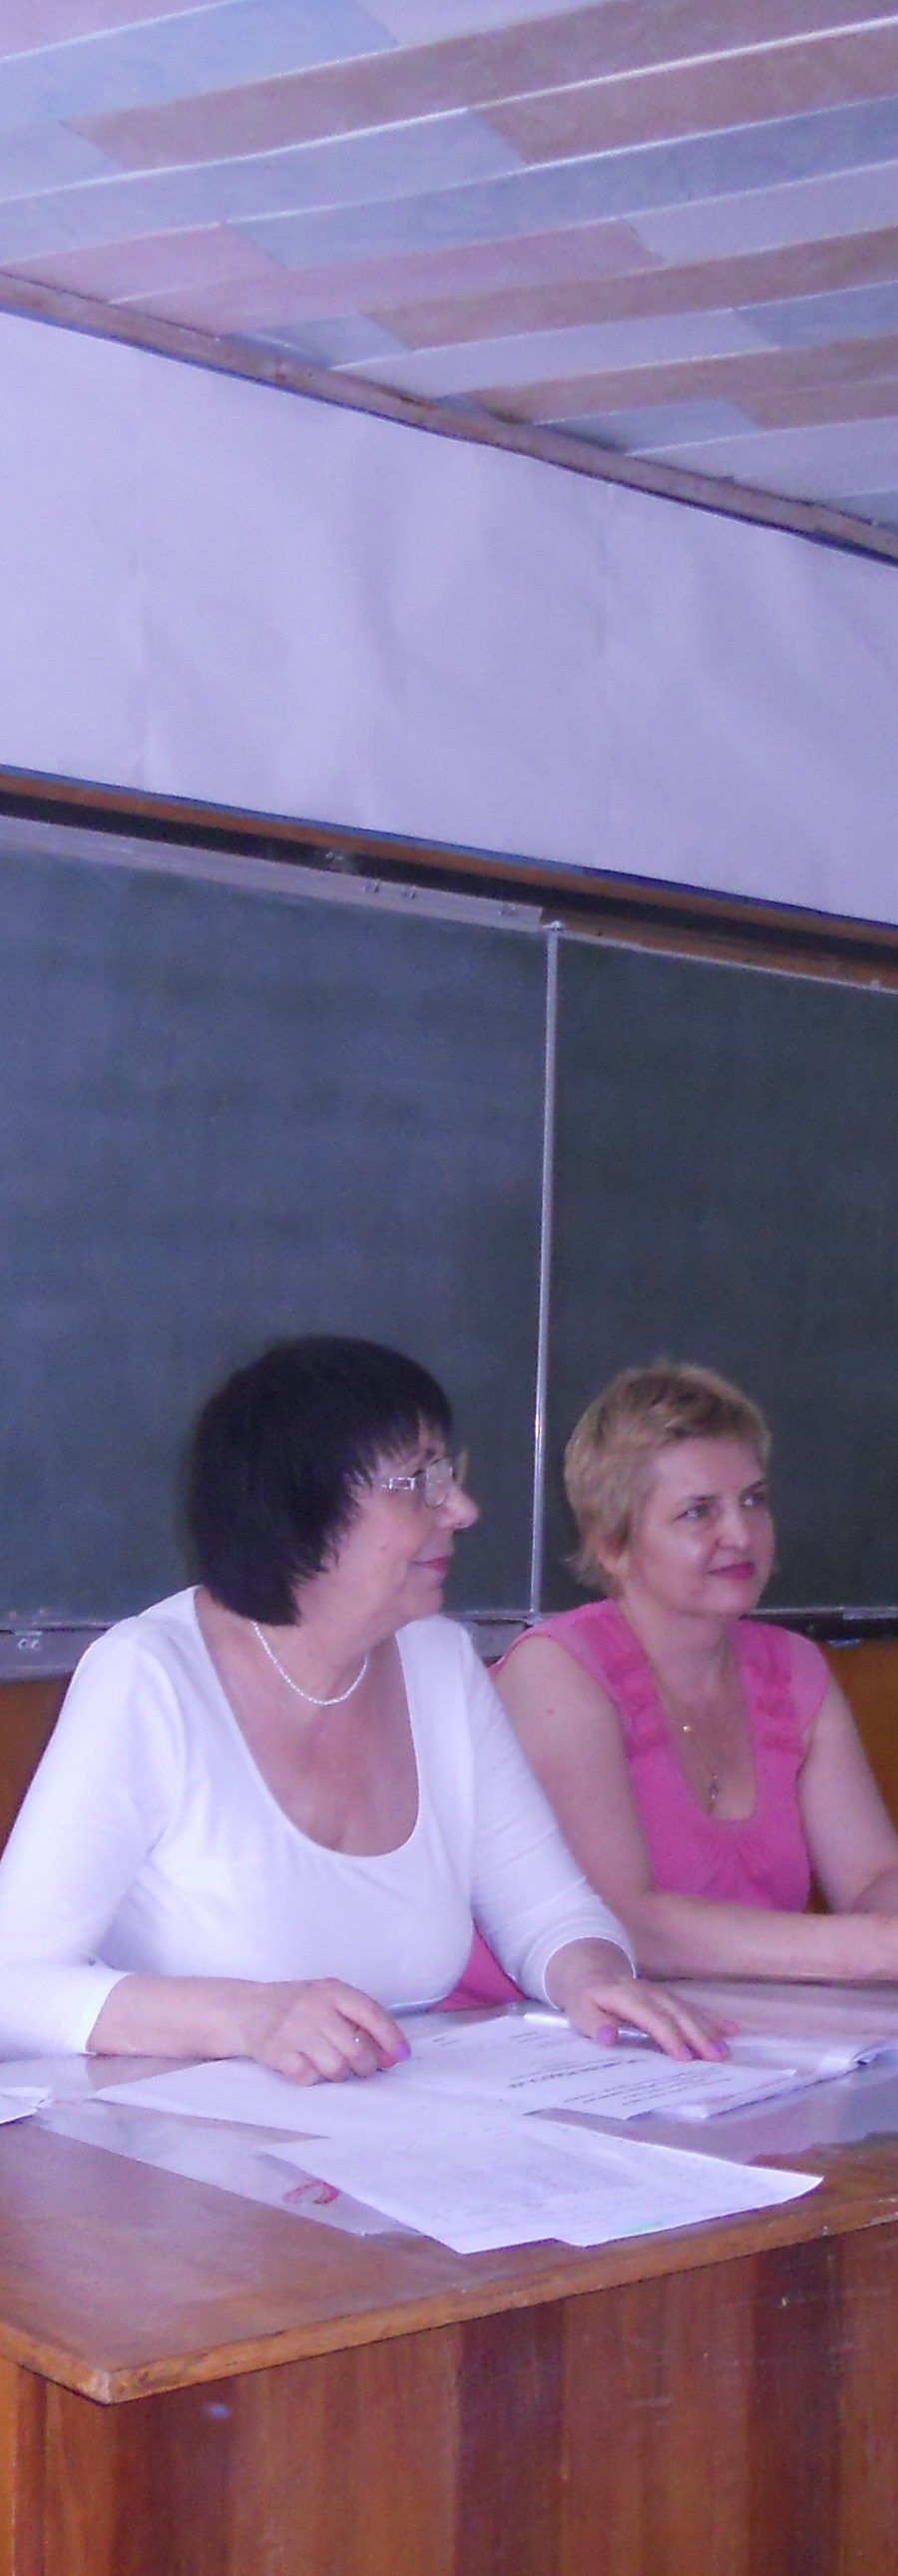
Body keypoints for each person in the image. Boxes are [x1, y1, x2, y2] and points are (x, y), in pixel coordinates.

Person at [0, 1338, 717, 2078]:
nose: (463, 1509)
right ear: (300, 1505)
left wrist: (592, 1976)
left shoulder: (440, 1666)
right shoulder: (149, 1677)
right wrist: (246, 2016)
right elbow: (10, 1985)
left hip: (400, 2122)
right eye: (420, 1482)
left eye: (451, 1475)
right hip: (172, 2135)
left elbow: (550, 1913)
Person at [496, 1362, 898, 1981]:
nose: (740, 1534)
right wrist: (872, 1949)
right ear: (611, 1544)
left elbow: (871, 1877)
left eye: (753, 1500)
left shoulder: (795, 1669)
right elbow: (621, 1924)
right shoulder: (555, 1671)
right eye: (698, 1512)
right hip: (538, 2027)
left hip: (747, 2025)